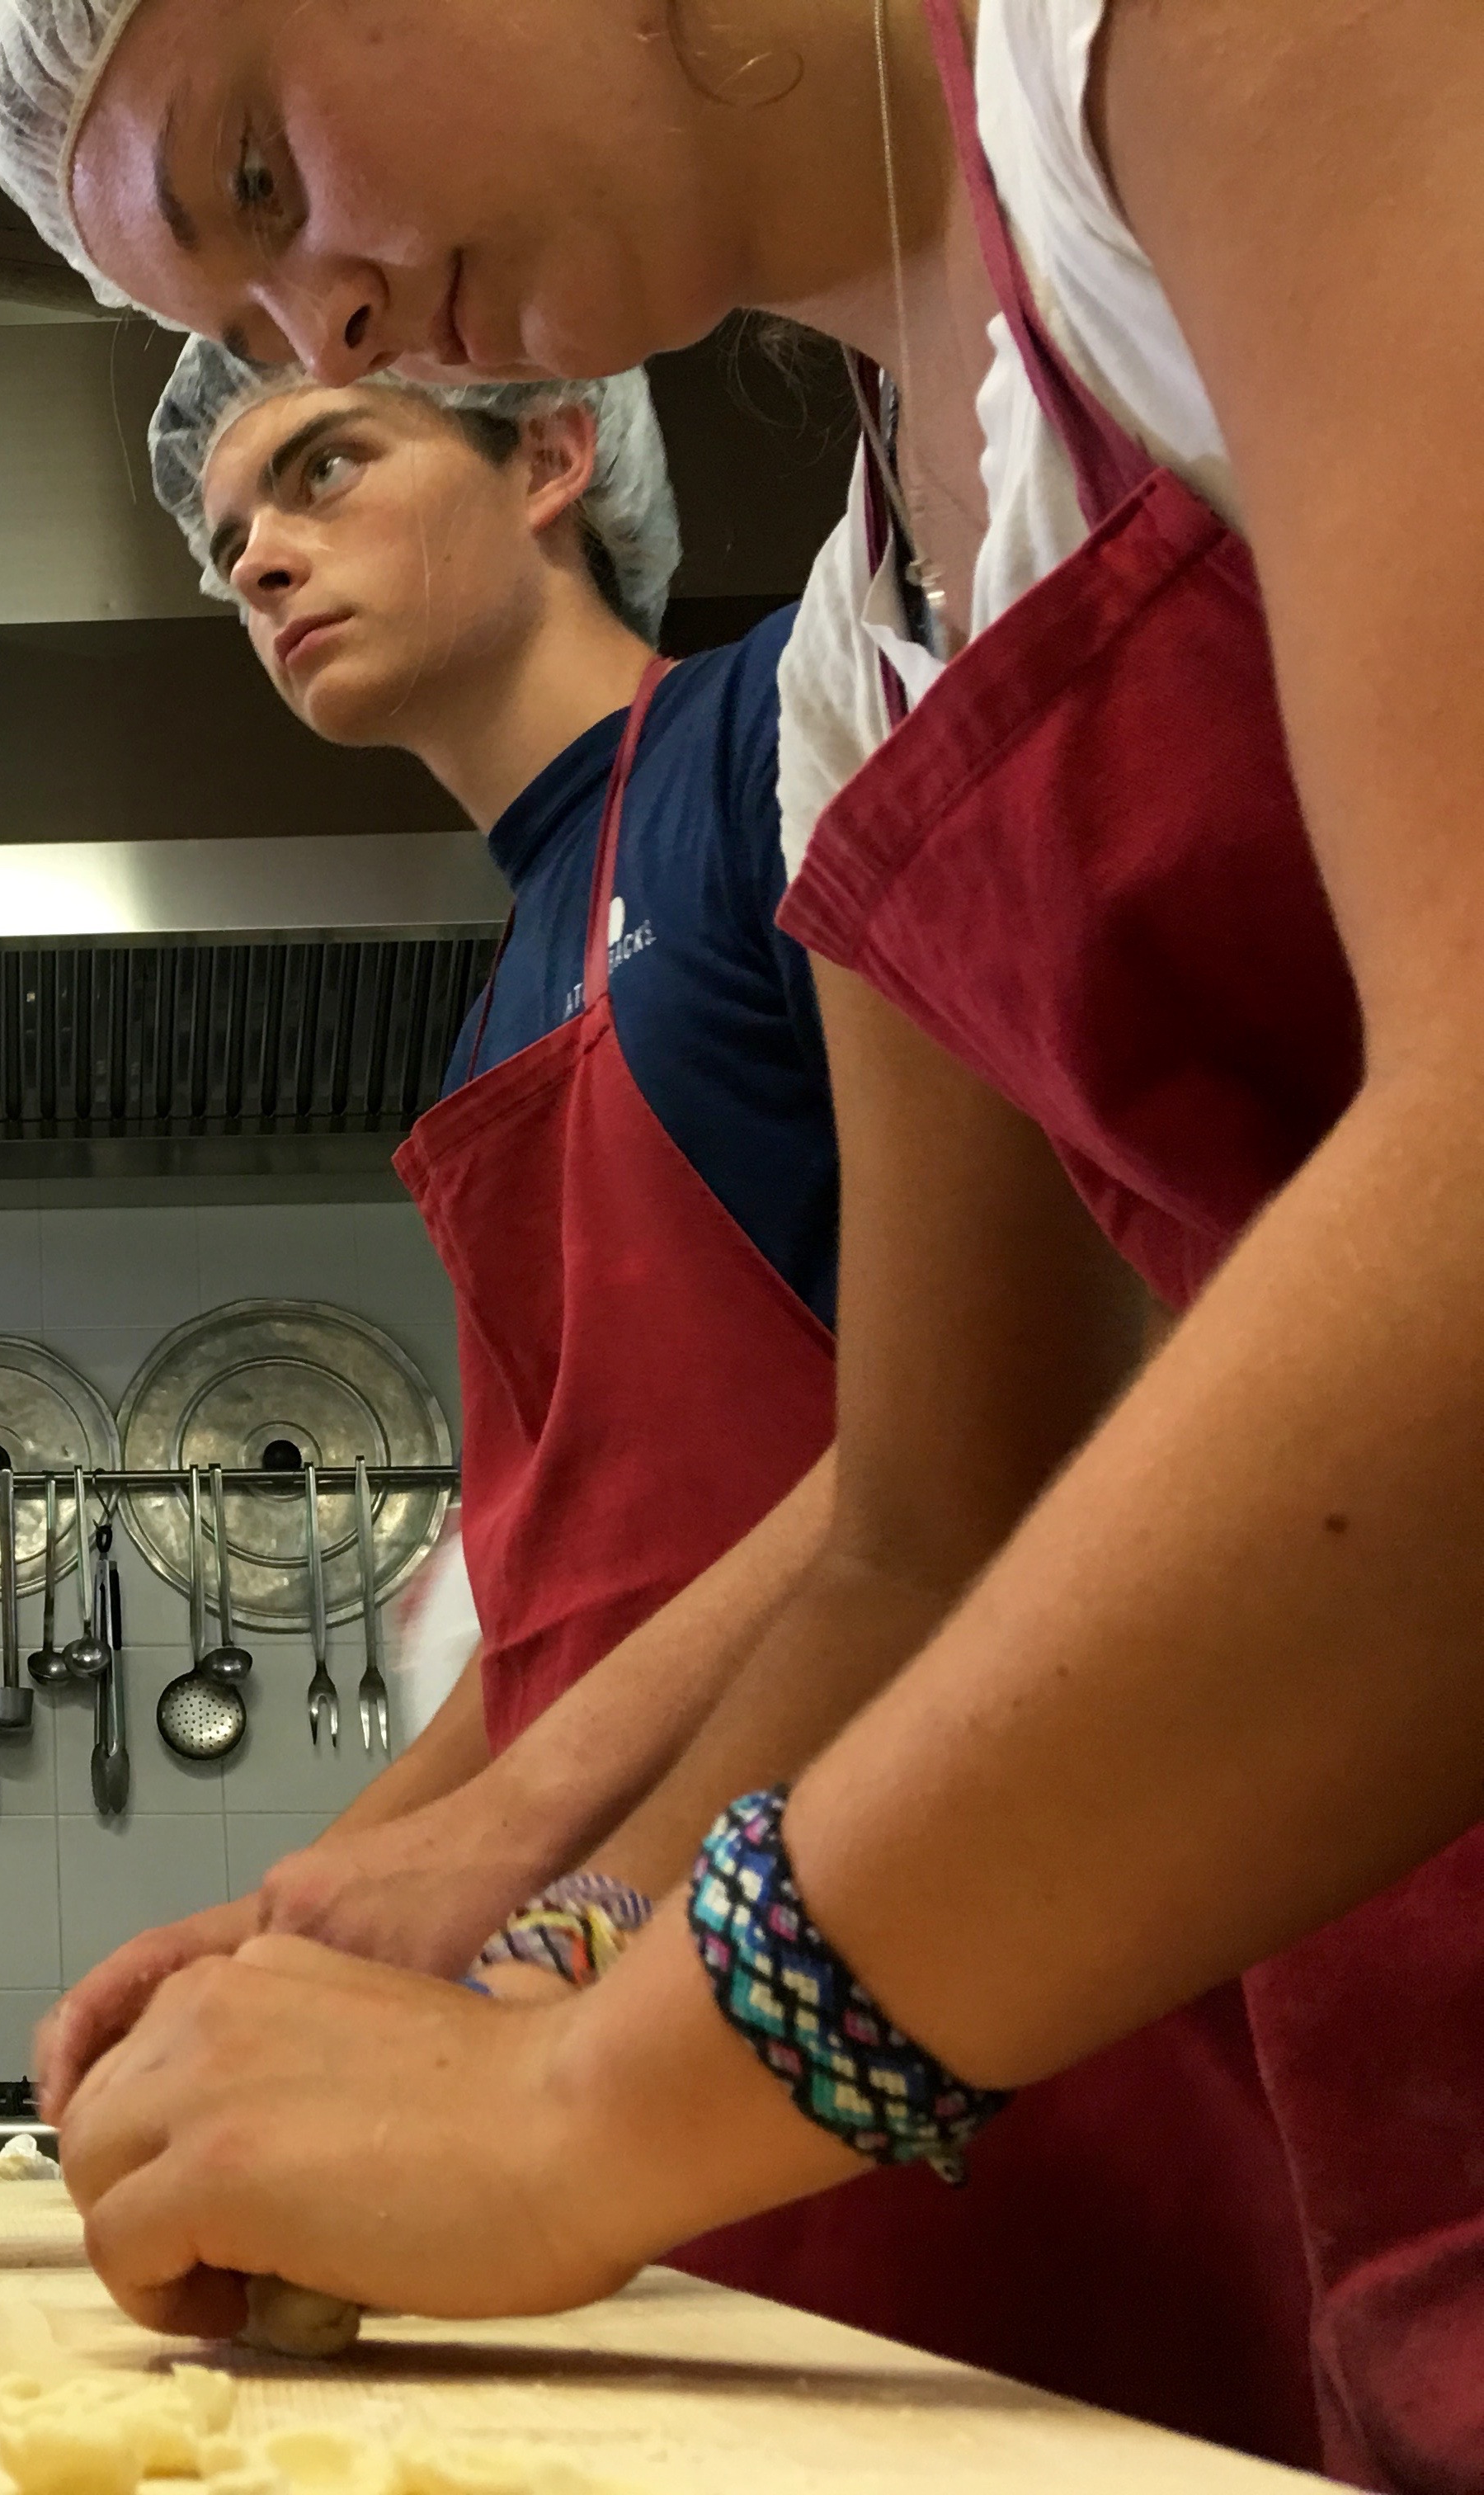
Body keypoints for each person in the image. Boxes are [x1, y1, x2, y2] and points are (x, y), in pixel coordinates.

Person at [0, 1, 1484, 2485]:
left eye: (257, 173)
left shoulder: (1194, 53)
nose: (320, 322)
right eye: (233, 334)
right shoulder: (856, 659)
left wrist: (572, 2100)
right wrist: (525, 1942)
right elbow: (914, 1536)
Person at [88, 336, 1312, 2461]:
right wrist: (297, 1913)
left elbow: (961, 1464)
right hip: (642, 1994)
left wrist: (533, 1897)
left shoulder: (781, 747)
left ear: (554, 450)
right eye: (230, 543)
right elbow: (570, 1590)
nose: (264, 555)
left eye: (324, 466)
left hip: (951, 1974)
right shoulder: (502, 987)